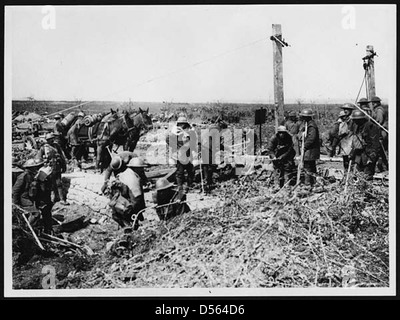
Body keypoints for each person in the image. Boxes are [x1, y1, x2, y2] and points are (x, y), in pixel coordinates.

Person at [12, 158, 54, 234]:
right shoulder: (23, 176)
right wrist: (15, 204)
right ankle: (28, 231)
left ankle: (48, 229)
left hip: (33, 198)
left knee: (46, 208)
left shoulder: (34, 176)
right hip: (24, 199)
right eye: (35, 167)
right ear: (30, 168)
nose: (37, 168)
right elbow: (15, 190)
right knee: (36, 213)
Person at [109, 157, 148, 229]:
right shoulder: (134, 180)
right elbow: (137, 201)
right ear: (136, 168)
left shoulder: (123, 174)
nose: (143, 170)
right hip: (125, 209)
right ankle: (129, 227)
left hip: (118, 206)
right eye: (141, 168)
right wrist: (139, 215)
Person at [36, 133, 69, 205]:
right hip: (48, 168)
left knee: (59, 183)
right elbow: (38, 158)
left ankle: (61, 199)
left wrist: (64, 166)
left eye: (52, 139)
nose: (51, 141)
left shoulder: (56, 146)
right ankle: (51, 199)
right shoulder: (43, 148)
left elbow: (62, 157)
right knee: (49, 184)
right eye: (49, 140)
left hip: (56, 167)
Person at [166, 116, 195, 193]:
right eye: (181, 124)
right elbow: (167, 139)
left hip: (187, 155)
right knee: (180, 172)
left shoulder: (188, 130)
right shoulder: (175, 131)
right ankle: (180, 187)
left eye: (183, 124)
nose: (182, 125)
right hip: (180, 155)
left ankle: (189, 185)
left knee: (190, 171)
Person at [349, 110, 381, 180]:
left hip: (369, 154)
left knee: (367, 174)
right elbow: (356, 141)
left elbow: (375, 143)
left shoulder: (371, 127)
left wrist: (372, 157)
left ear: (361, 119)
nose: (354, 122)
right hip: (359, 154)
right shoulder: (357, 127)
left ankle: (367, 189)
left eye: (356, 120)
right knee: (358, 173)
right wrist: (352, 153)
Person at [297, 109, 320, 188]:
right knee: (311, 166)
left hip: (310, 150)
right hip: (310, 150)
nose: (302, 118)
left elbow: (311, 138)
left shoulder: (311, 125)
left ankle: (308, 184)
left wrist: (305, 146)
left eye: (303, 116)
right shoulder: (307, 124)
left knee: (307, 166)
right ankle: (313, 182)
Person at [329, 105, 356, 170]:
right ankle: (346, 174)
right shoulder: (342, 121)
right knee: (345, 160)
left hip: (351, 142)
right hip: (344, 142)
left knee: (351, 160)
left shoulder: (353, 120)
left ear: (351, 110)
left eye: (347, 109)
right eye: (344, 109)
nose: (345, 111)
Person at [369, 96, 388, 172]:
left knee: (380, 150)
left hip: (381, 132)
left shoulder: (379, 110)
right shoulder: (377, 110)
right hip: (380, 131)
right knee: (380, 151)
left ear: (376, 103)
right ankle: (382, 166)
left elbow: (378, 122)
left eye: (373, 103)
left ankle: (382, 167)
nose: (372, 104)